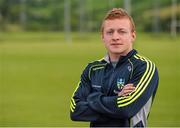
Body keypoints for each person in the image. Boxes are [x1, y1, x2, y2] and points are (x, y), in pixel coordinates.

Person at [70, 8, 159, 127]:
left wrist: (92, 98)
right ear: (102, 36)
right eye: (110, 32)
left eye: (122, 31)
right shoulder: (92, 69)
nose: (115, 37)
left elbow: (126, 109)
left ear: (133, 35)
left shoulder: (144, 67)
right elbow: (75, 110)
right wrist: (116, 99)